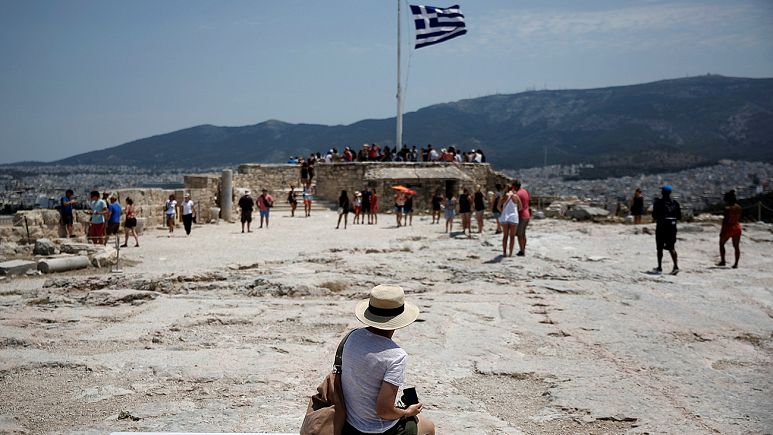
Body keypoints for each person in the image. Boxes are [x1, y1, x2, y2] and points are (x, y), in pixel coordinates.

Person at [341, 284, 435, 435]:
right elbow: (384, 411)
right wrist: (407, 412)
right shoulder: (396, 356)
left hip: (347, 424)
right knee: (428, 427)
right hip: (376, 430)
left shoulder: (352, 337)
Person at [652, 185, 681, 275]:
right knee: (671, 247)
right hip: (672, 227)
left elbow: (654, 216)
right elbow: (679, 216)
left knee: (659, 247)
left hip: (661, 226)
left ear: (662, 192)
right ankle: (675, 266)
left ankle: (659, 267)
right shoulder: (675, 203)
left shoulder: (658, 203)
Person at [718, 189, 742, 268]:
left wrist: (722, 231)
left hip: (729, 226)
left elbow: (725, 220)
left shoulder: (727, 208)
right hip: (737, 226)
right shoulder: (739, 207)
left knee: (721, 244)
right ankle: (736, 263)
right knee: (736, 246)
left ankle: (723, 261)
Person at [498, 186, 522, 257]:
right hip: (513, 218)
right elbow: (520, 207)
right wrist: (515, 210)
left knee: (505, 236)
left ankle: (504, 252)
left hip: (505, 217)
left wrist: (503, 211)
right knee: (512, 236)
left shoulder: (504, 196)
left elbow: (498, 206)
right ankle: (510, 253)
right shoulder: (516, 197)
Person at [514, 180, 531, 256]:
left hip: (521, 215)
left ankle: (522, 251)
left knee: (519, 234)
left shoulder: (517, 194)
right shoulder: (525, 191)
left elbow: (516, 206)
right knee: (523, 233)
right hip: (527, 215)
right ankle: (523, 248)